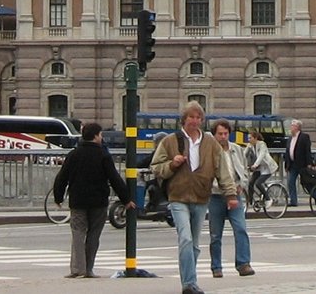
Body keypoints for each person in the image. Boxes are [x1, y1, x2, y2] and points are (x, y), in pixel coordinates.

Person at [150, 101, 238, 294]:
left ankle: (189, 281)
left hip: (201, 197)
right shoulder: (171, 141)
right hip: (178, 196)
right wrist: (172, 165)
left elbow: (222, 170)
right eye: (191, 117)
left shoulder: (210, 143)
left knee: (195, 244)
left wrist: (230, 194)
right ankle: (189, 283)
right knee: (186, 239)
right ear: (184, 119)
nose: (195, 121)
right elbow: (156, 167)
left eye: (199, 118)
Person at [52, 121, 132, 279]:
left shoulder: (73, 154)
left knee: (78, 233)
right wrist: (126, 199)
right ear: (96, 136)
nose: (102, 137)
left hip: (78, 200)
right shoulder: (103, 155)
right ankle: (88, 269)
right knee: (94, 235)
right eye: (101, 134)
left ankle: (77, 269)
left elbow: (62, 177)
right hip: (98, 201)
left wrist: (58, 197)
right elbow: (114, 178)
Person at [208, 120, 255, 278]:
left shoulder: (236, 149)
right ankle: (216, 267)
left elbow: (244, 170)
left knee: (240, 228)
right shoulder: (210, 151)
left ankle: (243, 264)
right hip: (216, 196)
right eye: (220, 134)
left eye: (226, 134)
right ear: (214, 135)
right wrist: (222, 189)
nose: (223, 137)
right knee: (215, 234)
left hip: (235, 195)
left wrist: (242, 184)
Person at [283, 119, 314, 208]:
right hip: (292, 165)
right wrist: (286, 164)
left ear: (297, 127)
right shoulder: (290, 138)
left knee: (307, 183)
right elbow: (287, 152)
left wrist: (309, 163)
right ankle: (293, 201)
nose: (291, 128)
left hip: (302, 164)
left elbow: (307, 151)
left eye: (292, 126)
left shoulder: (304, 137)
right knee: (290, 182)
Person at [245, 128, 277, 206]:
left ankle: (268, 199)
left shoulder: (262, 144)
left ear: (255, 138)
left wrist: (255, 165)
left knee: (258, 183)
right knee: (250, 183)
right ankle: (250, 201)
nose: (249, 140)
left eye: (250, 138)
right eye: (248, 138)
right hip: (259, 167)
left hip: (267, 167)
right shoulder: (250, 145)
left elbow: (261, 156)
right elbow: (244, 154)